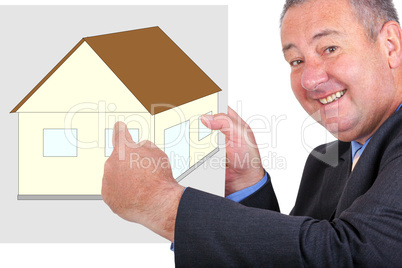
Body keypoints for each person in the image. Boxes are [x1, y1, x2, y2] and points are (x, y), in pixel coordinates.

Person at [101, 0, 402, 266]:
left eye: (330, 49)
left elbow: (354, 255)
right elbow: (291, 257)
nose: (310, 79)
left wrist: (164, 205)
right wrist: (248, 186)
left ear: (390, 45)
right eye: (296, 61)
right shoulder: (325, 163)